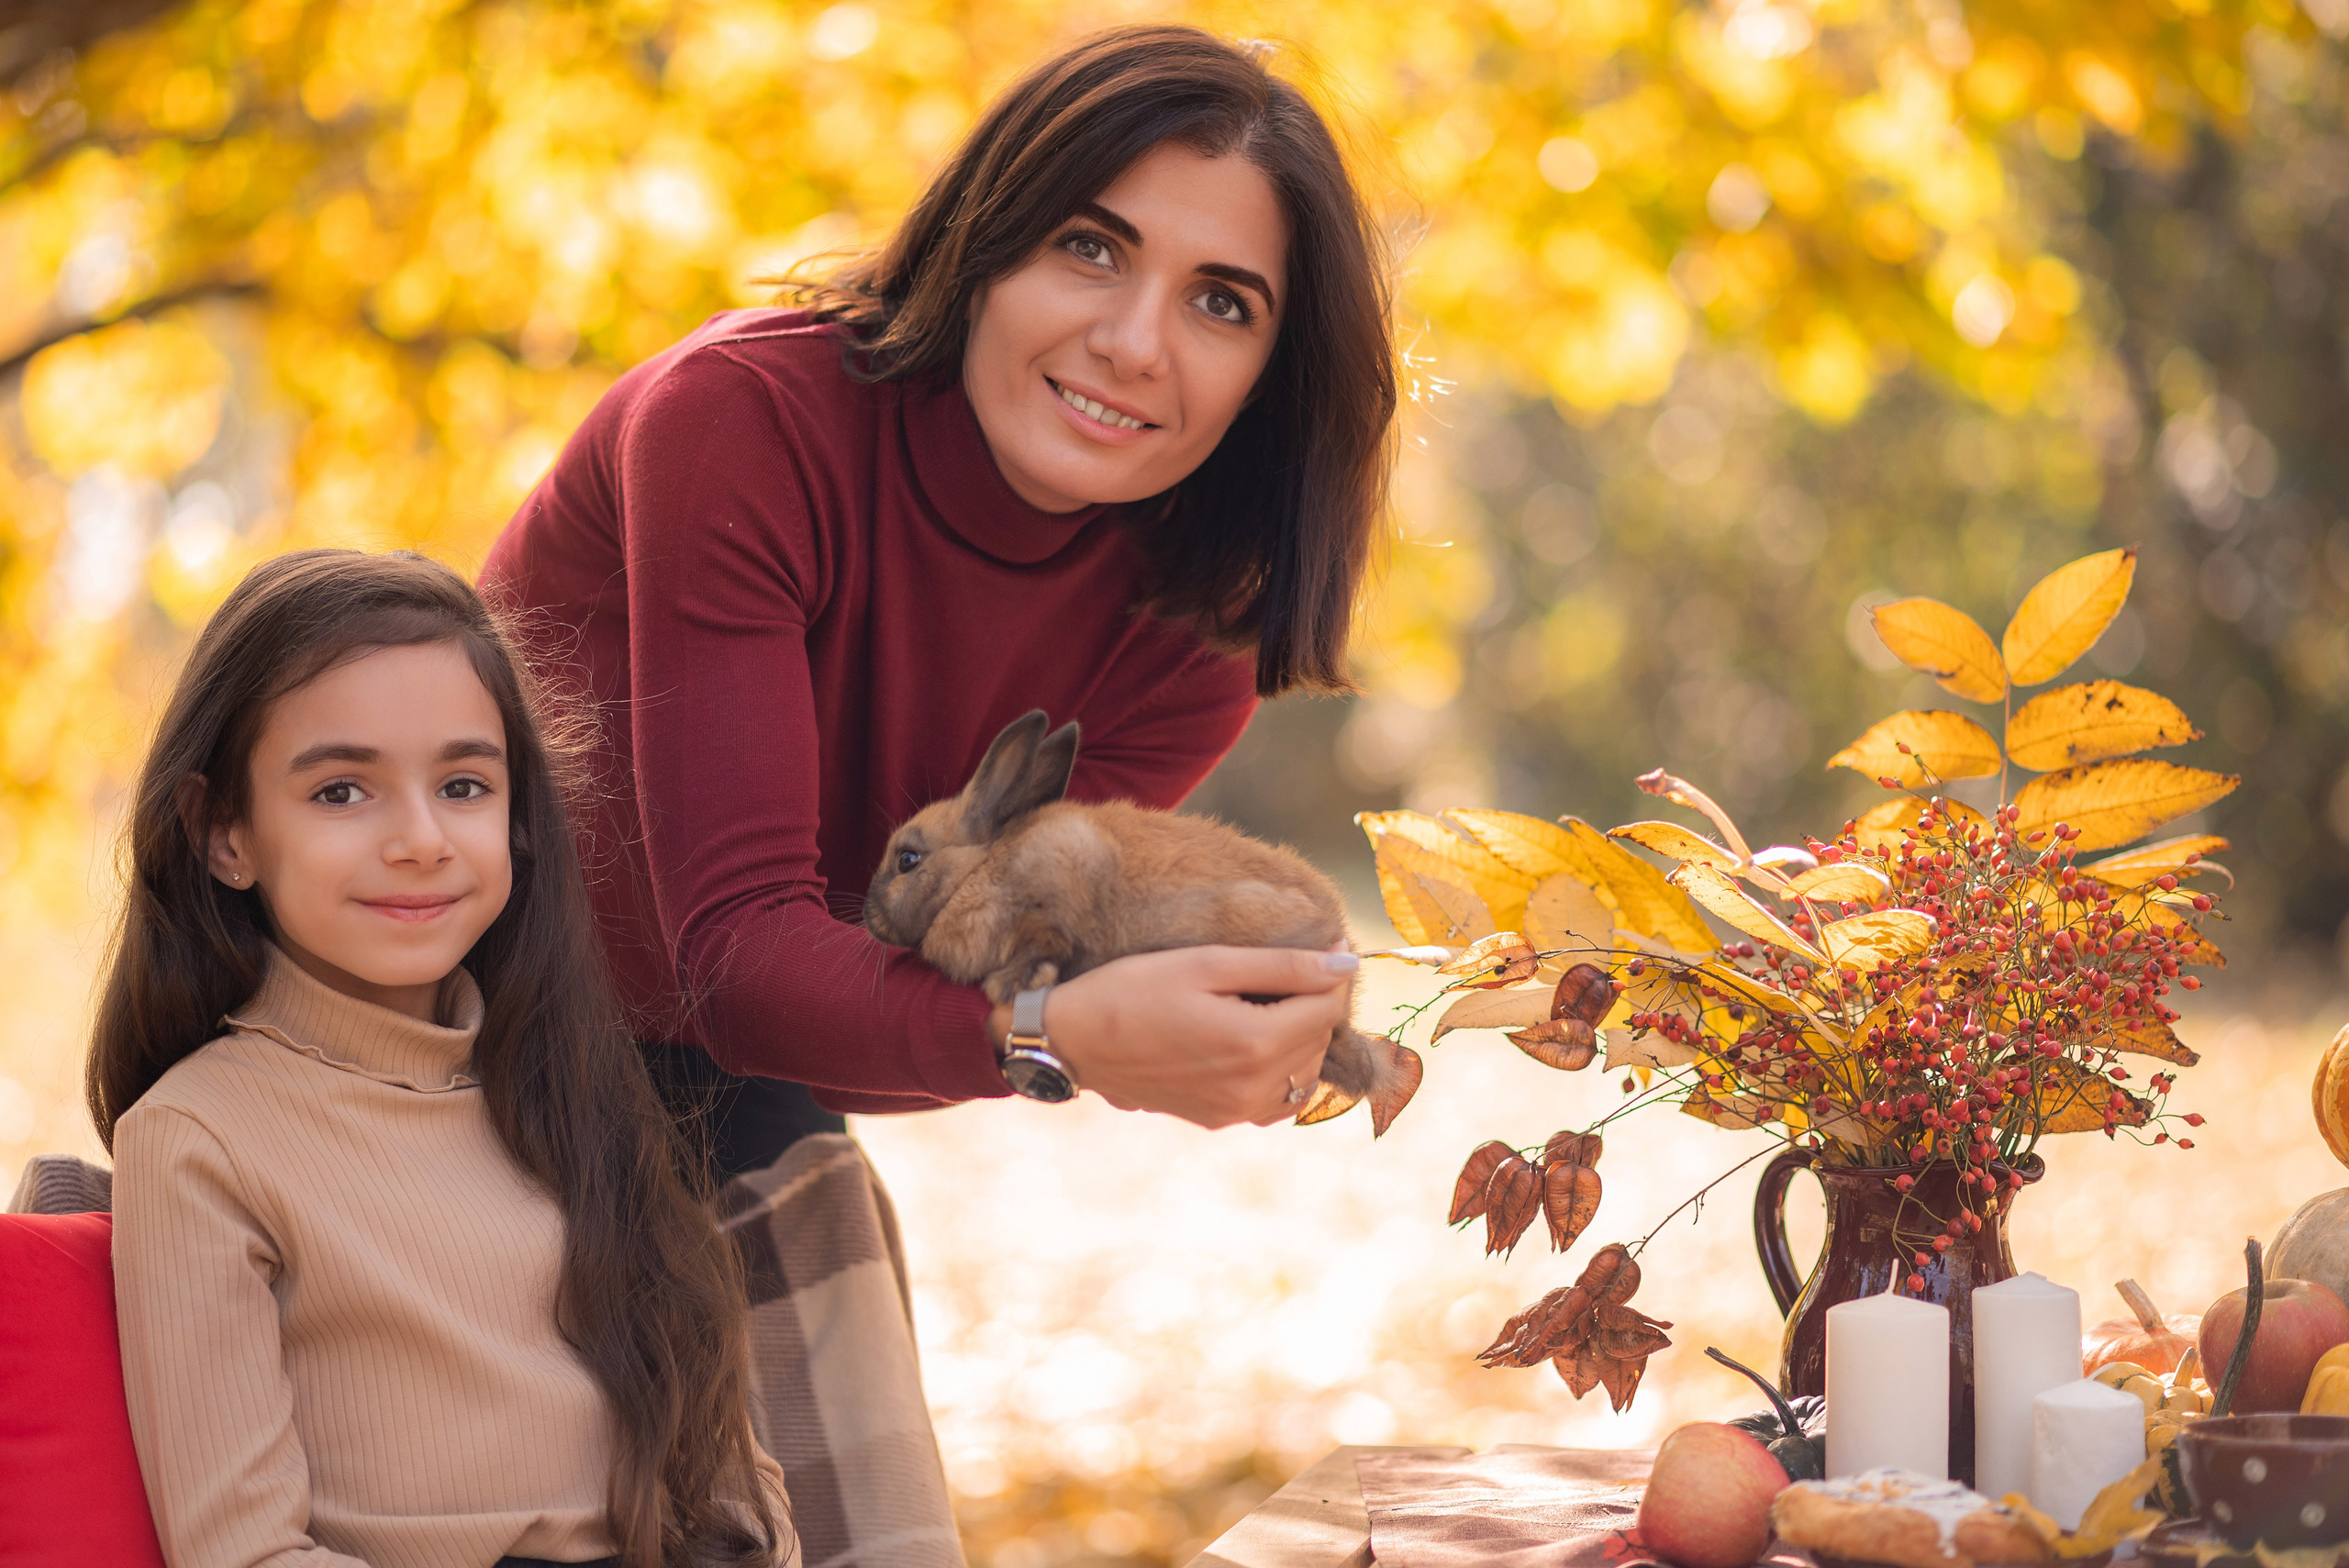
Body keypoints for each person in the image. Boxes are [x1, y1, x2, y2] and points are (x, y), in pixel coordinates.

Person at [482, 21, 1398, 1169]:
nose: (1131, 343)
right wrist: (1055, 1030)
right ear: (985, 240)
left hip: (738, 1089)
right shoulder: (738, 425)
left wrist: (1111, 1023)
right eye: (1089, 247)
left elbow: (938, 1000)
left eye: (1221, 304)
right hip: (448, 1029)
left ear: (1273, 376)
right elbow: (737, 956)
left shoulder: (1191, 637)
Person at [90, 550, 796, 1568]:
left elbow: (736, 1479)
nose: (420, 838)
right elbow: (245, 1553)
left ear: (516, 813)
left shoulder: (575, 1089)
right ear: (224, 833)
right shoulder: (200, 1138)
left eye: (463, 783)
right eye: (342, 791)